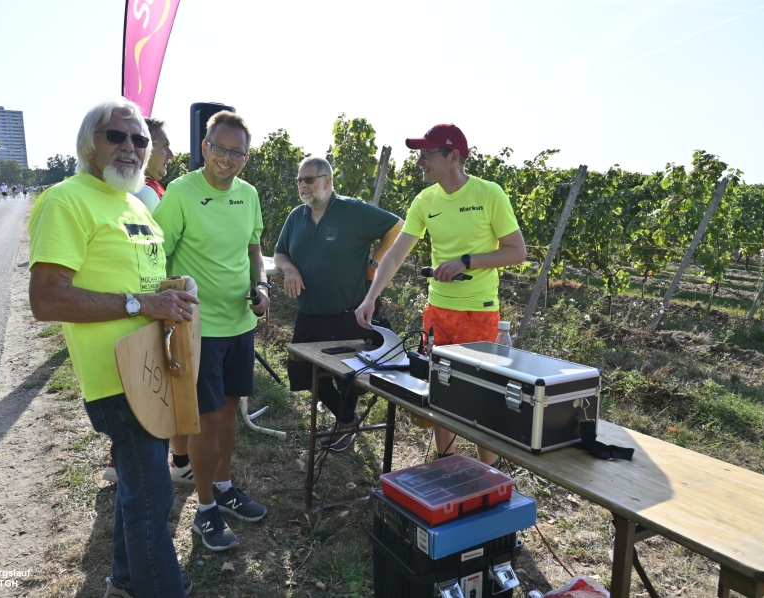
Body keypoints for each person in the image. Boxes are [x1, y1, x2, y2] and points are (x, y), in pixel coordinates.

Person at [28, 97, 194, 598]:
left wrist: (171, 291)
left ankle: (124, 581)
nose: (130, 147)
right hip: (115, 376)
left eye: (140, 140)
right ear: (89, 145)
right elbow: (46, 299)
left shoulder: (134, 204)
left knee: (141, 488)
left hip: (153, 368)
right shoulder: (66, 200)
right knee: (153, 496)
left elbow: (138, 281)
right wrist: (142, 303)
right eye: (116, 136)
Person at [354, 124, 527, 465]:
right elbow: (395, 254)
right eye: (419, 154)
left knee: (481, 400)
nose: (419, 161)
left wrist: (467, 261)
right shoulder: (425, 201)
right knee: (441, 391)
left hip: (479, 313)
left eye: (427, 154)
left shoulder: (489, 194)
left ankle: (488, 475)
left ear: (453, 157)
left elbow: (517, 252)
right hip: (437, 312)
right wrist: (371, 297)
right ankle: (445, 464)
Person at [154, 110, 268, 552]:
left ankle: (223, 487)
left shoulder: (249, 195)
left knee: (229, 411)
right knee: (206, 420)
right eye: (220, 148)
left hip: (241, 324)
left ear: (246, 157)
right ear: (204, 148)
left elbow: (254, 251)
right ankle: (204, 510)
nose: (227, 158)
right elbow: (157, 256)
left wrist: (261, 285)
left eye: (237, 152)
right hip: (198, 329)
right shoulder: (181, 193)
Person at [274, 156, 403, 451]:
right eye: (299, 180)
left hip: (349, 312)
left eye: (309, 179)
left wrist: (375, 263)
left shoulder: (352, 210)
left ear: (327, 181)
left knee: (348, 376)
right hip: (309, 312)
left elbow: (397, 227)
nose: (302, 185)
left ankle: (345, 426)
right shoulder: (297, 216)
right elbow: (280, 253)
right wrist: (289, 269)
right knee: (301, 370)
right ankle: (347, 420)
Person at [102, 117, 186, 486]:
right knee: (153, 390)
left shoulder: (147, 190)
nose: (169, 153)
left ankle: (129, 463)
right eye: (162, 146)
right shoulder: (146, 195)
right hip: (153, 305)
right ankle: (133, 466)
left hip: (151, 304)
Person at [134, 118, 175, 214]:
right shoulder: (143, 192)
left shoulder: (150, 186)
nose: (171, 155)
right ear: (145, 149)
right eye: (164, 146)